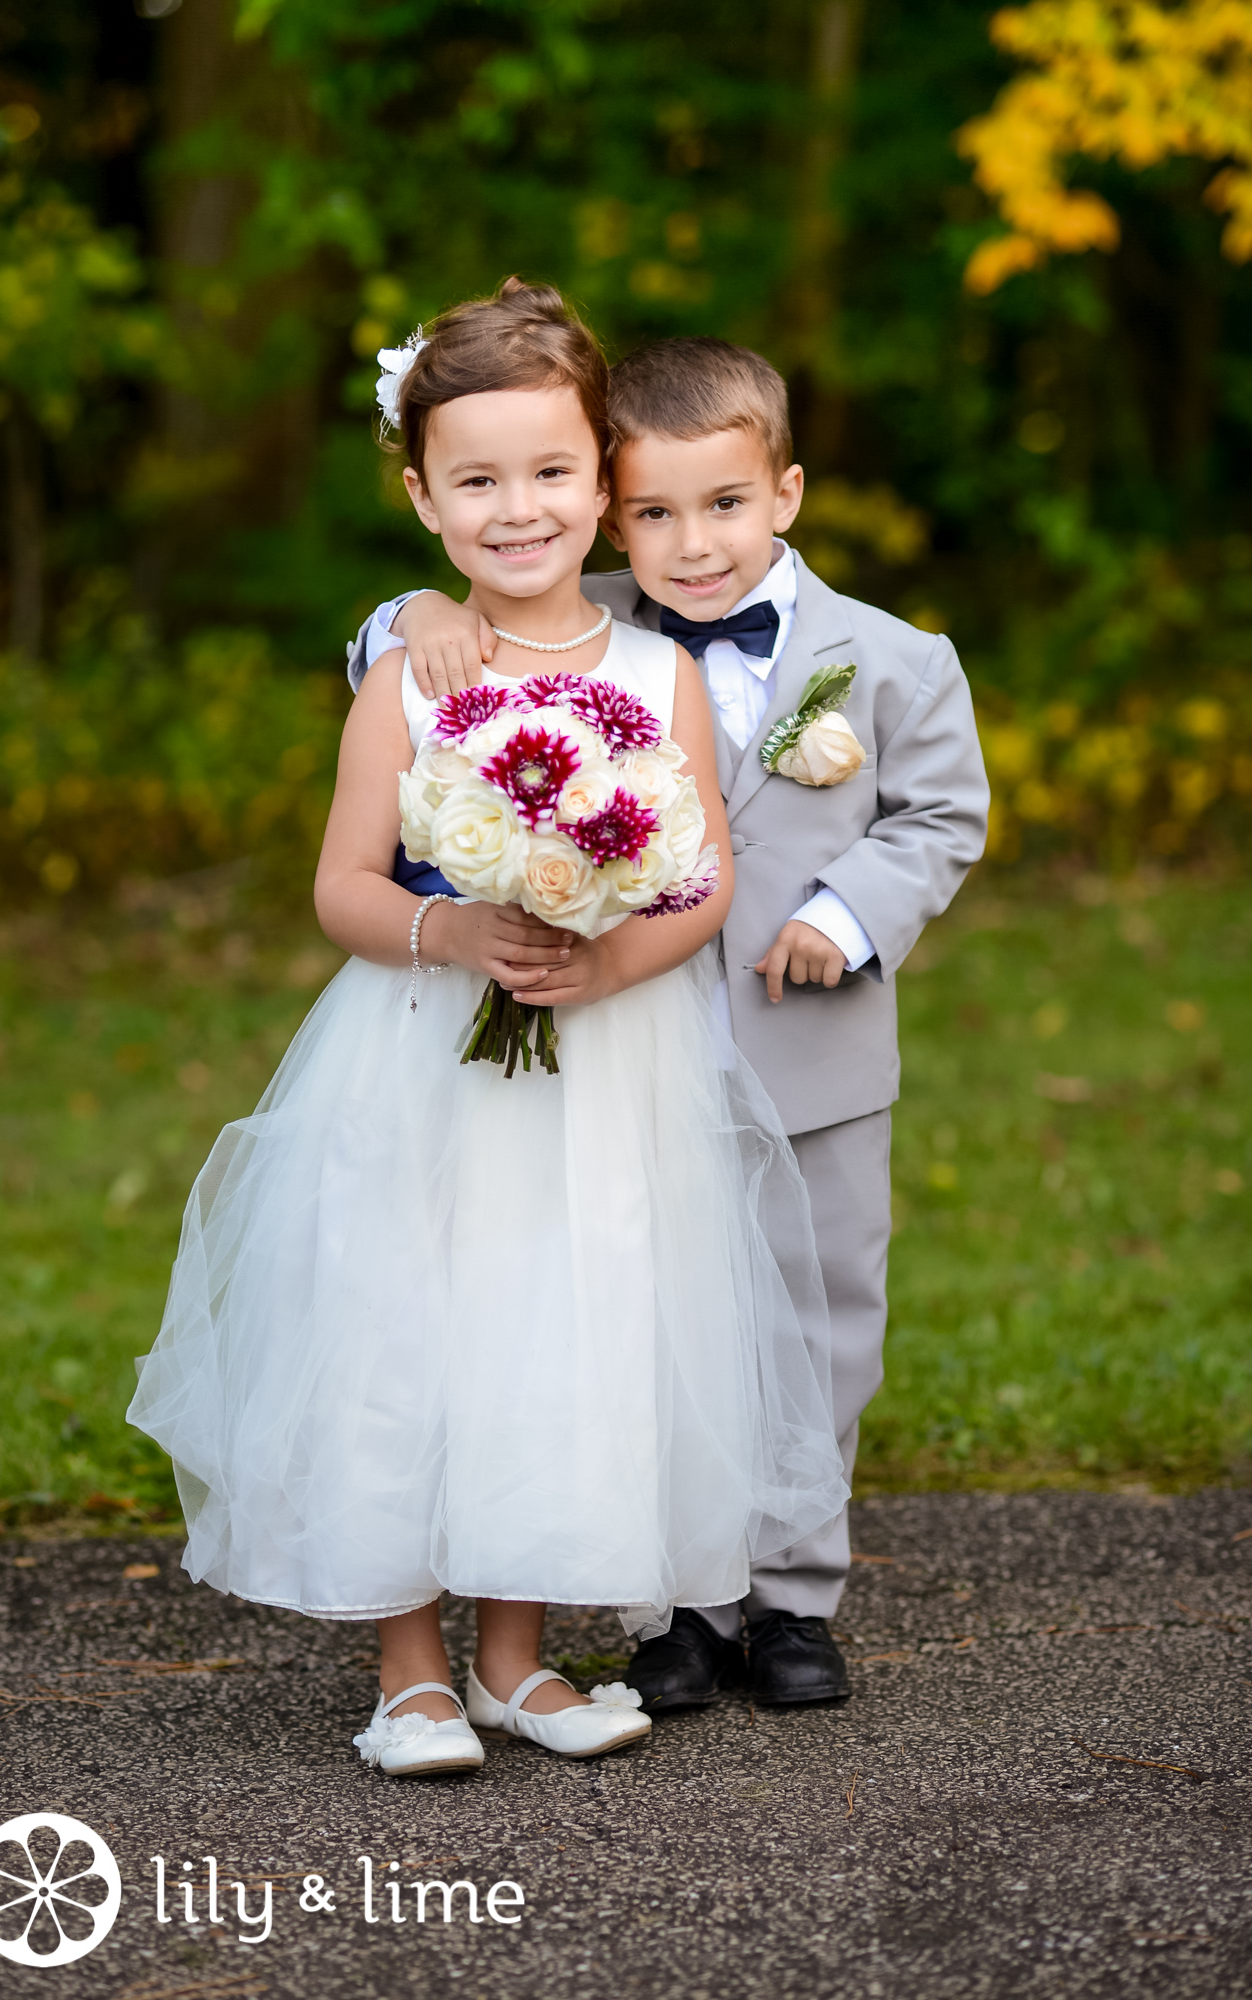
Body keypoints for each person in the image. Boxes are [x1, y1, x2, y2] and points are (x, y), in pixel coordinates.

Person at [128, 287, 845, 1779]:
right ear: (422, 500)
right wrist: (448, 926)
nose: (518, 510)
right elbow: (339, 883)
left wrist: (608, 956)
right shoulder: (410, 673)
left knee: (559, 1334)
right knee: (414, 1324)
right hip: (420, 1056)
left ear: (603, 478)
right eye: (476, 481)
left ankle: (515, 1658)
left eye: (551, 474)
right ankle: (411, 1674)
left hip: (607, 1060)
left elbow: (700, 878)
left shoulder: (657, 676)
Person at [352, 334, 989, 1713]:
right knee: (644, 1316)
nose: (689, 545)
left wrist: (849, 913)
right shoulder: (590, 627)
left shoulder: (891, 658)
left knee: (814, 1319)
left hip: (803, 1051)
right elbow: (455, 602)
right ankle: (676, 1602)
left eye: (724, 506)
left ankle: (792, 1598)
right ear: (605, 513)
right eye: (649, 513)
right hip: (615, 1061)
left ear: (790, 493)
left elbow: (941, 815)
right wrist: (409, 612)